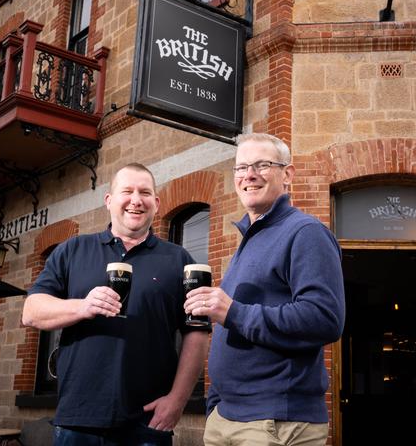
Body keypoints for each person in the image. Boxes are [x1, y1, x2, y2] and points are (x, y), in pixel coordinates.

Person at [22, 163, 209, 446]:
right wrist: (82, 307)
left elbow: (197, 332)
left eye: (145, 192)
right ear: (109, 200)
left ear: (156, 204)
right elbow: (31, 311)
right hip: (78, 419)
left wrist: (177, 401)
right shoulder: (73, 250)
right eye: (127, 191)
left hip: (147, 422)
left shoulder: (179, 260)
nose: (136, 200)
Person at [184, 133, 345, 446]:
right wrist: (216, 402)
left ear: (287, 175)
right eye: (241, 167)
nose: (249, 175)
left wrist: (233, 312)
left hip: (273, 423)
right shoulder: (250, 239)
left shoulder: (305, 233)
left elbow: (324, 318)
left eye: (262, 165)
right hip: (227, 418)